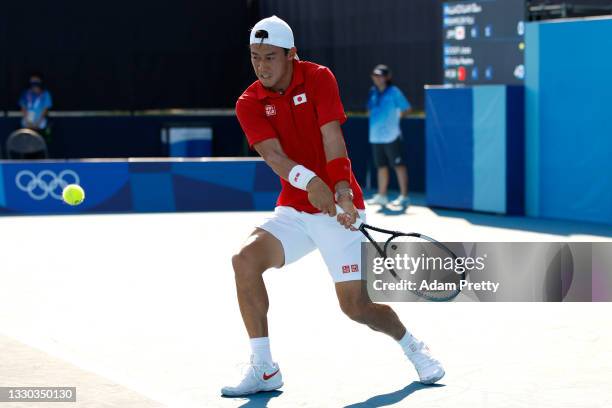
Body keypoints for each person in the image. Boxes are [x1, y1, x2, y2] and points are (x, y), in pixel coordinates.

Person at [223, 16, 444, 397]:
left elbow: (332, 136)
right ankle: (263, 369)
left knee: (357, 308)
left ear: (292, 54)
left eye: (270, 57)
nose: (262, 66)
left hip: (339, 207)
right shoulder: (249, 102)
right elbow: (273, 156)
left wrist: (340, 189)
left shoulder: (319, 77)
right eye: (255, 57)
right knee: (244, 260)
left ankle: (412, 346)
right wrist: (309, 183)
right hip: (294, 211)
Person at [366, 64, 412, 208]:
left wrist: (395, 118)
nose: (377, 78)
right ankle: (382, 196)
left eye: (380, 75)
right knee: (381, 166)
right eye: (375, 75)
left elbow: (407, 109)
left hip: (392, 135)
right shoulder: (372, 91)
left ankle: (404, 197)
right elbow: (369, 111)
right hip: (376, 136)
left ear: (387, 77)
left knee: (398, 165)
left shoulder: (394, 92)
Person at [19, 73, 53, 139]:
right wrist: (27, 122)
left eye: (36, 82)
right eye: (32, 82)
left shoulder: (45, 94)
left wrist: (38, 123)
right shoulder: (25, 93)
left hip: (40, 124)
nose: (34, 84)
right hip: (27, 123)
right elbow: (23, 108)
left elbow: (45, 109)